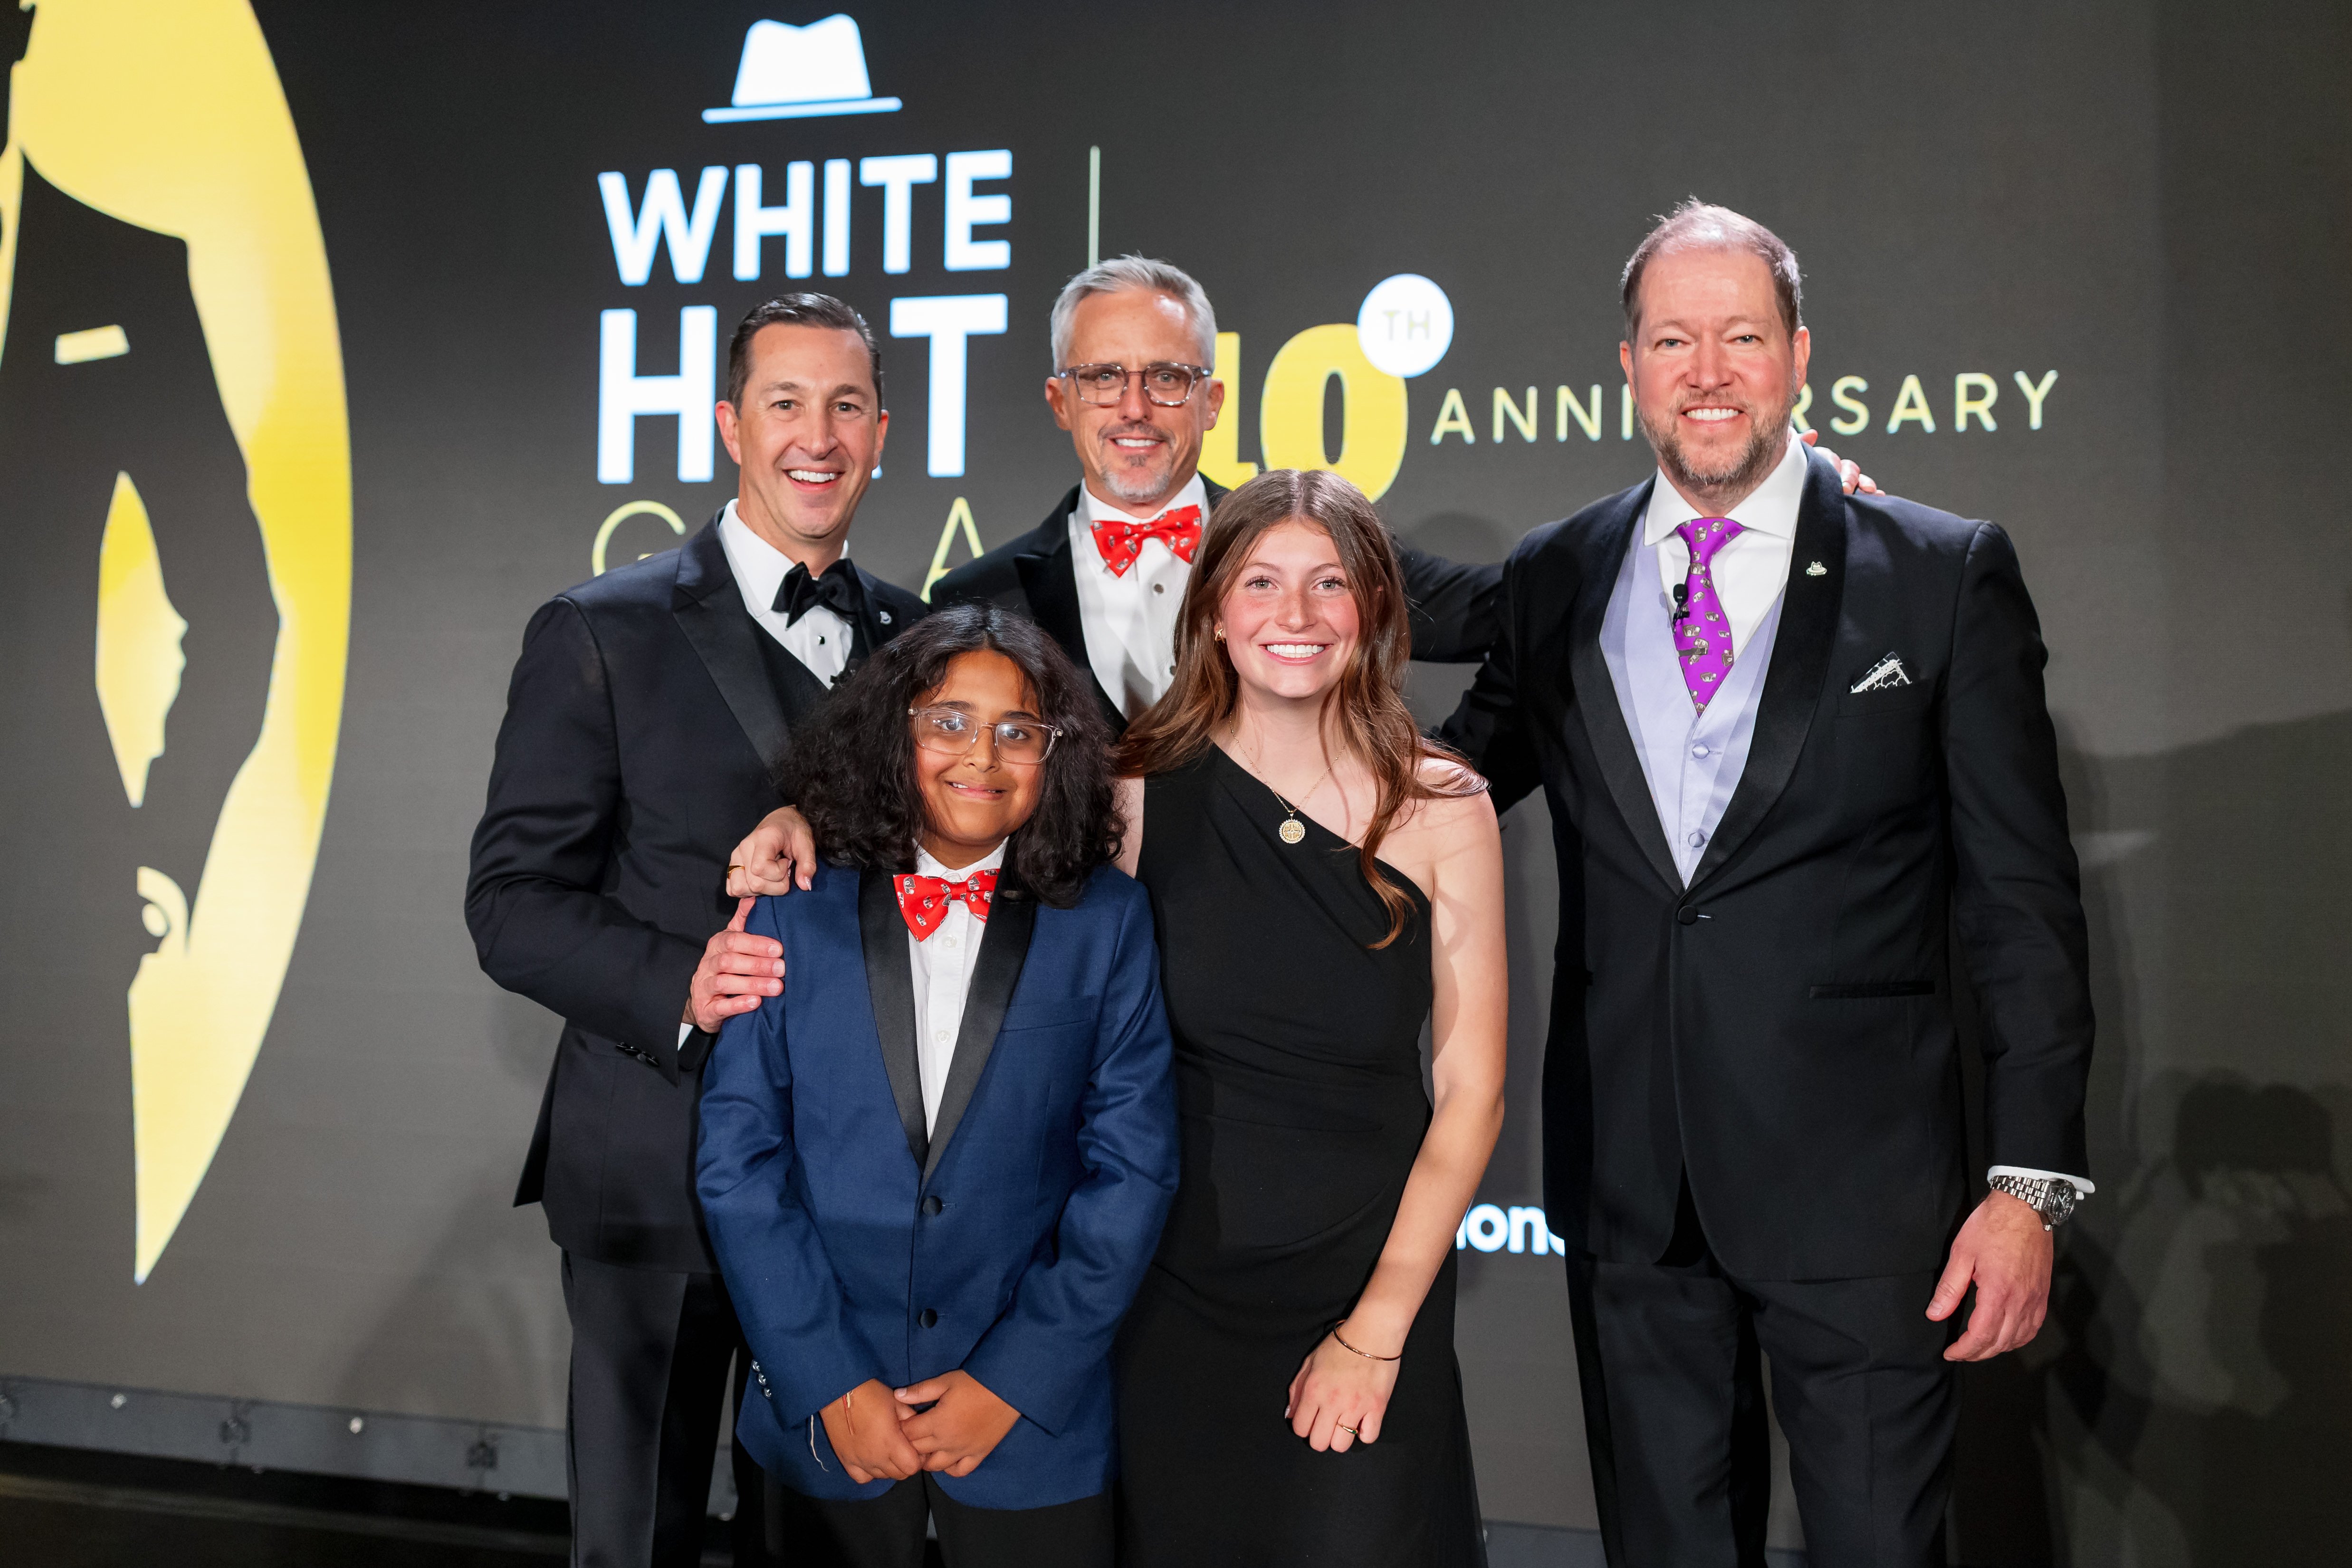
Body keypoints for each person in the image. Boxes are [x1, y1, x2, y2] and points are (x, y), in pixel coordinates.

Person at [1440, 201, 2095, 1567]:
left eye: (1740, 335)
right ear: (1624, 365)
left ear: (1798, 354)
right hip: (1629, 1181)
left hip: (1864, 1198)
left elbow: (2018, 904)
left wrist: (2025, 1187)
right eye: (1671, 339)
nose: (1707, 370)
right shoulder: (1557, 572)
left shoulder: (1935, 572)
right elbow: (1446, 782)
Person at [465, 294, 924, 1567]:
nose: (815, 436)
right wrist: (684, 982)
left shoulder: (916, 639)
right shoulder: (601, 630)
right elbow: (510, 904)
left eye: (845, 406)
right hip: (652, 1172)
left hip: (858, 1184)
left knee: (831, 1537)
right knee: (641, 1542)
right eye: (785, 403)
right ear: (730, 424)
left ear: (883, 432)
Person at [697, 603, 1178, 1568]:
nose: (983, 758)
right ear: (894, 734)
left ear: (1058, 755)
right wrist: (829, 1382)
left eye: (1019, 733)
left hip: (1032, 1427)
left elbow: (1132, 1173)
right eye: (948, 722)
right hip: (824, 1420)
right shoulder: (796, 902)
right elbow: (738, 1164)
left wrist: (1012, 1382)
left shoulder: (1108, 921)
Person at [1110, 468, 1506, 1565]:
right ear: (1213, 613)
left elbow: (1471, 1092)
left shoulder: (1441, 804)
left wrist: (1376, 1334)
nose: (1295, 615)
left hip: (1367, 1283)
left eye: (1330, 584)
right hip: (1171, 1291)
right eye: (1263, 583)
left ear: (1375, 610)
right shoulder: (1134, 789)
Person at [0, 0, 278, 1312]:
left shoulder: (118, 271)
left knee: (53, 1290)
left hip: (48, 890)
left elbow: (236, 606)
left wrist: (163, 843)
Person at [927, 255, 1501, 732]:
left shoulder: (1316, 543)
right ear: (1060, 401)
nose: (1135, 408)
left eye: (1167, 378)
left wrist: (1440, 791)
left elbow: (1510, 612)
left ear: (1213, 402)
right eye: (1103, 377)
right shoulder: (978, 598)